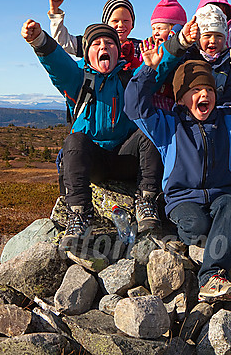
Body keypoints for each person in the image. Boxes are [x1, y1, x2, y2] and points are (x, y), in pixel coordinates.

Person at [124, 40, 231, 302]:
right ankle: (180, 234)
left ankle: (211, 278)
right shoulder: (167, 126)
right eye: (195, 90)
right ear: (180, 98)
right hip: (181, 199)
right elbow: (135, 108)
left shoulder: (228, 121)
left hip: (219, 195)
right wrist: (147, 71)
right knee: (197, 227)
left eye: (208, 89)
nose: (204, 95)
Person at [21, 19, 162, 250]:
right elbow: (58, 63)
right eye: (96, 43)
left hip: (126, 157)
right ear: (87, 53)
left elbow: (159, 66)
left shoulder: (128, 77)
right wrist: (38, 40)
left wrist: (182, 41)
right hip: (92, 161)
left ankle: (146, 200)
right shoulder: (79, 79)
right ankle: (79, 215)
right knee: (75, 141)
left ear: (118, 50)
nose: (104, 47)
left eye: (109, 42)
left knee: (150, 131)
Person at [158, 7, 231, 108]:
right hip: (189, 113)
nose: (213, 40)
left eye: (219, 36)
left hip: (221, 114)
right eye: (207, 36)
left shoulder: (230, 62)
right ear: (198, 38)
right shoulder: (187, 58)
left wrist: (222, 112)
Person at [48, 0, 143, 70]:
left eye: (126, 21)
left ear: (132, 24)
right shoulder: (92, 44)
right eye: (115, 21)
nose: (121, 25)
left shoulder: (141, 47)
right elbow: (65, 42)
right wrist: (55, 14)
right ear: (105, 24)